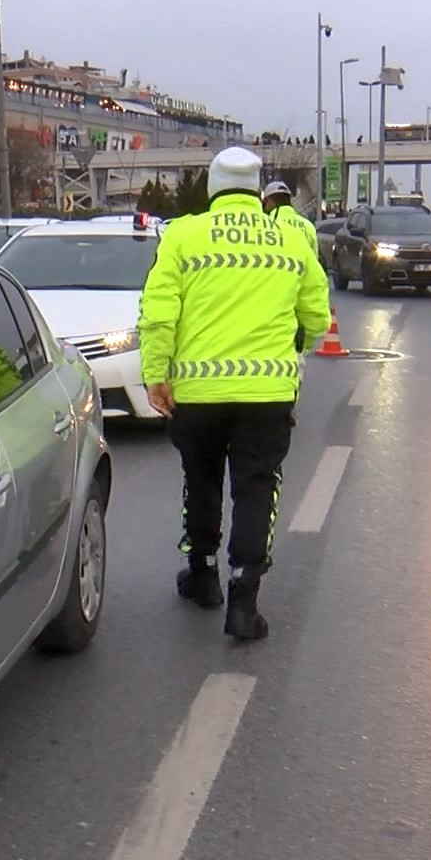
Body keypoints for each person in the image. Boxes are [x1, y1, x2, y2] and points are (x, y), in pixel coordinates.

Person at [138, 146, 332, 640]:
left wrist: (156, 373)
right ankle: (245, 598)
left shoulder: (183, 235)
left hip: (197, 394)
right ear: (257, 189)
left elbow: (158, 312)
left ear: (212, 187)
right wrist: (294, 352)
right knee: (257, 486)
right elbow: (315, 314)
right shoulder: (290, 239)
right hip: (267, 394)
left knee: (200, 478)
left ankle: (203, 577)